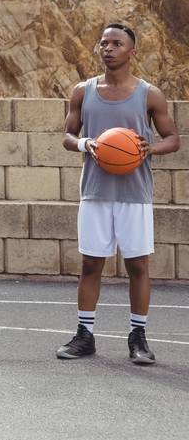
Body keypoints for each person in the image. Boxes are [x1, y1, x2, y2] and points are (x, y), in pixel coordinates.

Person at [56, 22, 179, 364]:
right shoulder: (83, 90)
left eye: (116, 43)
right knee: (90, 264)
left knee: (138, 265)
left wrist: (149, 149)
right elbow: (67, 135)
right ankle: (85, 335)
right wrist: (86, 143)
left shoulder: (149, 94)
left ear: (131, 51)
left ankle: (138, 337)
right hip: (95, 192)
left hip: (134, 193)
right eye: (103, 43)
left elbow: (173, 139)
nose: (107, 48)